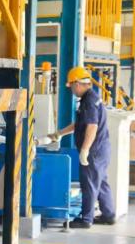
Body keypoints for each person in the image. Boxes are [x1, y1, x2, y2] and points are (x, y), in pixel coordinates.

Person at [48, 66, 114, 229]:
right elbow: (79, 124)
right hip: (101, 149)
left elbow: (92, 126)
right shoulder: (90, 98)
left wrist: (85, 150)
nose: (71, 90)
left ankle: (86, 219)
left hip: (94, 150)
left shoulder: (89, 101)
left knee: (89, 183)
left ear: (77, 84)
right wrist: (60, 133)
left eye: (71, 86)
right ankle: (109, 215)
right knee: (101, 182)